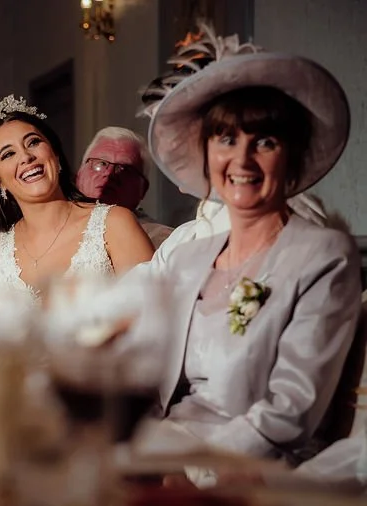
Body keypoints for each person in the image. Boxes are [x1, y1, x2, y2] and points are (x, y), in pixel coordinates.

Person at [141, 23, 360, 464]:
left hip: (250, 471)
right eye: (226, 139)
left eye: (264, 141)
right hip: (163, 453)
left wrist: (189, 471)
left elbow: (289, 414)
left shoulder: (323, 256)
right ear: (207, 153)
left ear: (292, 155)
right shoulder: (188, 258)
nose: (241, 160)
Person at [0, 93, 153, 311]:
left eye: (33, 142)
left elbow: (155, 321)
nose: (26, 157)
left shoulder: (115, 224)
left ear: (55, 154)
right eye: (8, 154)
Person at [77, 127, 173, 247]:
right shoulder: (54, 225)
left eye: (125, 170)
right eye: (101, 163)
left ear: (142, 189)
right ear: (79, 173)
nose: (109, 173)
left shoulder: (164, 241)